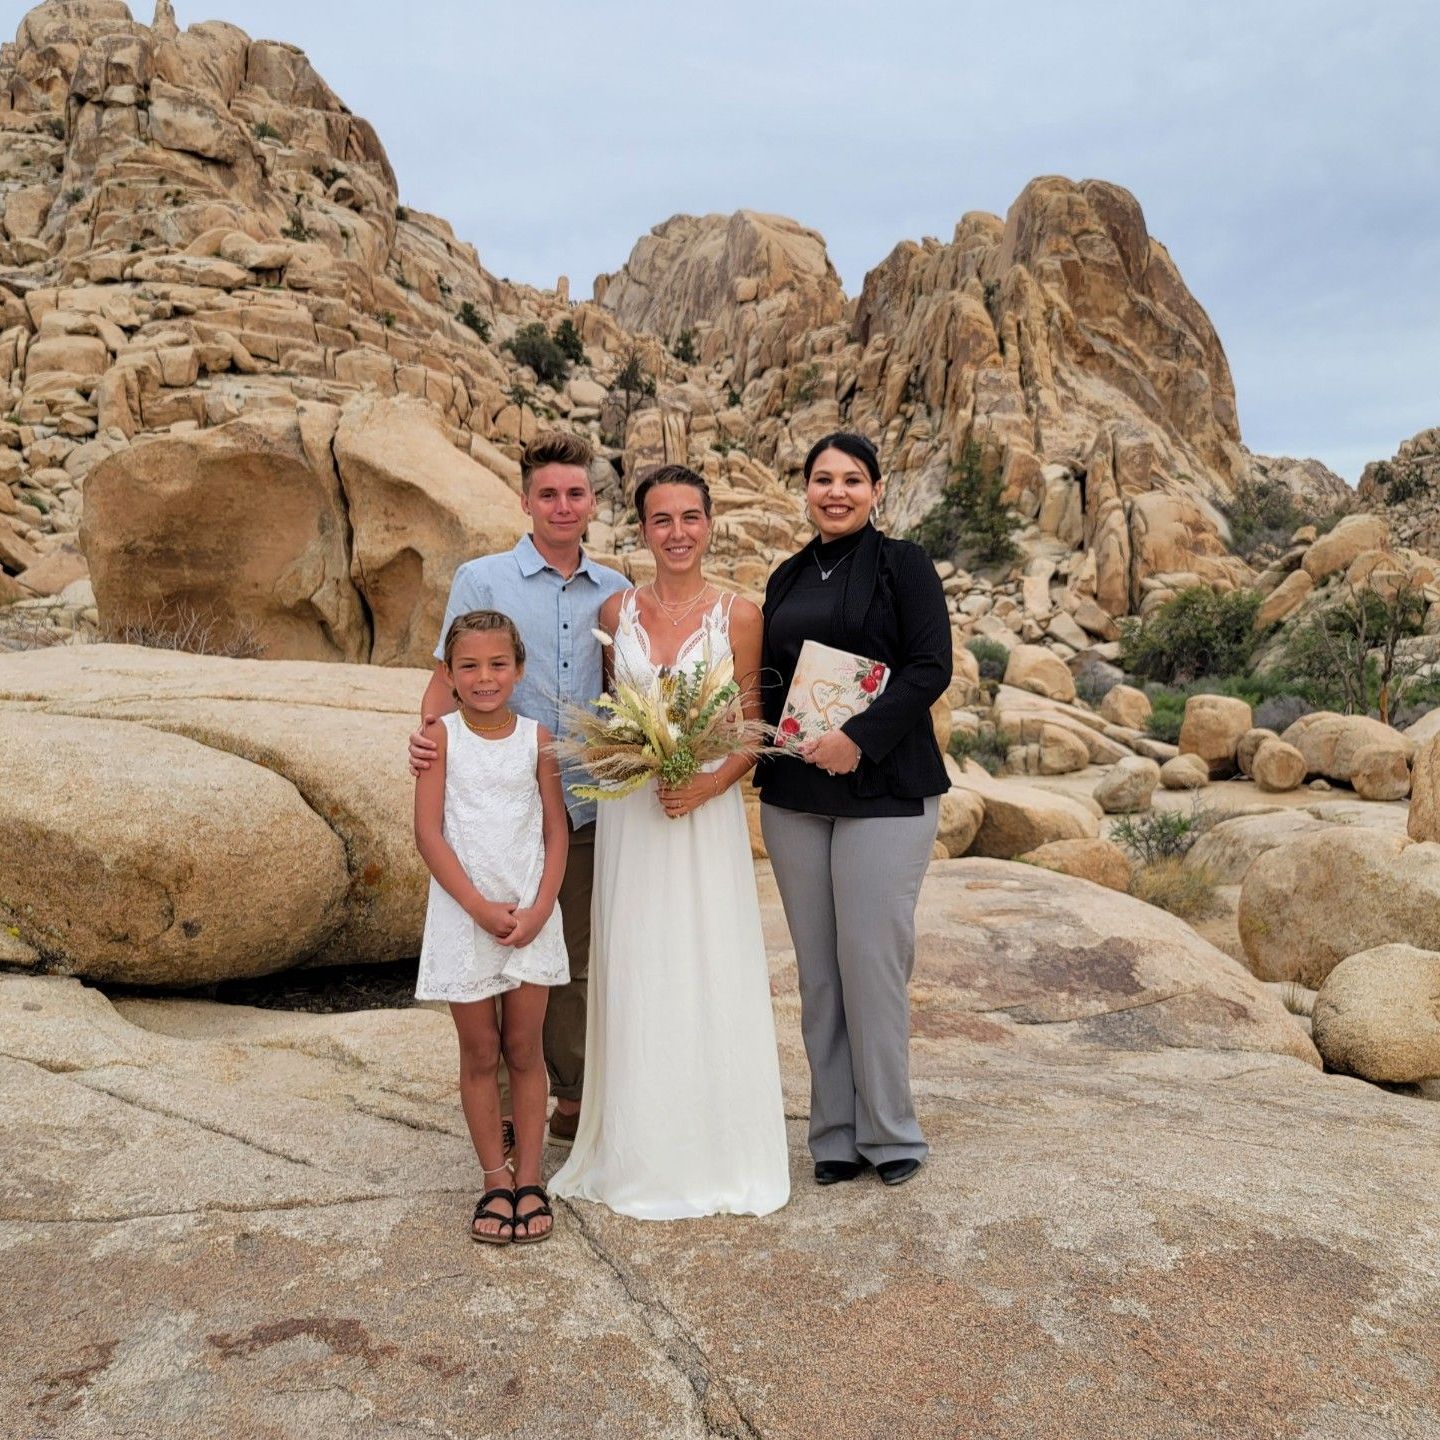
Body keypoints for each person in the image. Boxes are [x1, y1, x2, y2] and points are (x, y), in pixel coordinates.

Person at [549, 465, 791, 1219]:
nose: (678, 532)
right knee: (635, 961)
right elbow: (612, 719)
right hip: (633, 814)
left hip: (704, 812)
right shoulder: (616, 611)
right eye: (662, 520)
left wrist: (709, 784)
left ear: (710, 524)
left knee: (706, 960)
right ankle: (633, 1145)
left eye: (691, 517)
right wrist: (638, 762)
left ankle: (716, 1145)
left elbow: (754, 726)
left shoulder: (741, 615)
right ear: (642, 529)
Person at [410, 433, 627, 1149]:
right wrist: (426, 740)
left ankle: (568, 1098)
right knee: (492, 948)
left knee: (570, 960)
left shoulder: (617, 593)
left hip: (586, 802)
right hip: (497, 804)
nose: (562, 506)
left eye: (575, 493)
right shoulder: (483, 578)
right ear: (526, 500)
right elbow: (450, 676)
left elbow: (626, 694)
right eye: (548, 494)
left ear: (592, 502)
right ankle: (500, 1106)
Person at [757, 432, 951, 1189]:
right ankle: (834, 1134)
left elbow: (931, 665)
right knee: (819, 975)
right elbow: (770, 681)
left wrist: (858, 740)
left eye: (851, 480)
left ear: (876, 490)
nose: (834, 492)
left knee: (871, 965)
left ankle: (891, 1130)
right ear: (804, 489)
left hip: (884, 792)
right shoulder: (786, 575)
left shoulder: (904, 565)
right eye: (820, 479)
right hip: (798, 796)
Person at [414, 610, 570, 1244]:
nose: (484, 677)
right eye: (469, 667)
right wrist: (478, 907)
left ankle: (530, 1179)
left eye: (497, 664)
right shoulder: (440, 738)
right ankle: (493, 1180)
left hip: (531, 915)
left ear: (519, 669)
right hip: (464, 917)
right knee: (480, 1053)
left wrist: (539, 909)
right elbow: (428, 833)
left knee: (525, 1051)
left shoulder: (537, 737)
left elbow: (556, 831)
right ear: (449, 675)